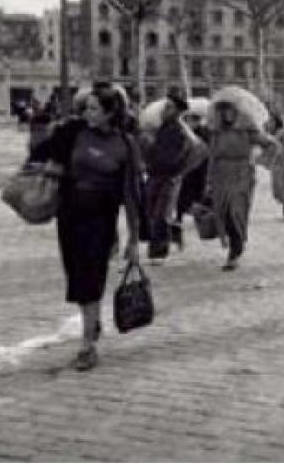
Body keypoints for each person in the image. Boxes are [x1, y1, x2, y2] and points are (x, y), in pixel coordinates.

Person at [28, 82, 142, 371]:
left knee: (91, 278)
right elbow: (38, 153)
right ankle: (92, 321)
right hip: (69, 216)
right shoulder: (73, 132)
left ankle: (87, 344)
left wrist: (133, 240)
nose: (86, 112)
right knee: (77, 278)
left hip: (101, 220)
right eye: (86, 107)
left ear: (109, 112)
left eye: (93, 108)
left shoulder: (125, 144)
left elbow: (131, 195)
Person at [207, 101, 274, 271]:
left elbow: (268, 143)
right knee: (223, 211)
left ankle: (235, 249)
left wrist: (259, 157)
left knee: (235, 210)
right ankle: (234, 245)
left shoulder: (247, 129)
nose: (227, 114)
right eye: (224, 111)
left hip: (241, 174)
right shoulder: (217, 132)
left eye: (230, 110)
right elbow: (212, 157)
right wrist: (209, 180)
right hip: (221, 175)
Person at [141, 89, 192, 265]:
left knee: (161, 214)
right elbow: (154, 151)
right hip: (154, 174)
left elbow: (175, 157)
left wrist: (156, 158)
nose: (164, 111)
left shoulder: (181, 132)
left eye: (169, 108)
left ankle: (158, 252)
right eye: (165, 107)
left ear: (178, 111)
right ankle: (175, 231)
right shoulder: (161, 128)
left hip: (169, 177)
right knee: (150, 210)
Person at [173, 111, 210, 248]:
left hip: (200, 172)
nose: (190, 122)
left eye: (193, 119)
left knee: (197, 200)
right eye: (188, 119)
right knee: (181, 202)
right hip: (186, 173)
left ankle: (203, 225)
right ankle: (178, 228)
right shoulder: (183, 133)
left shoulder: (205, 133)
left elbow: (207, 152)